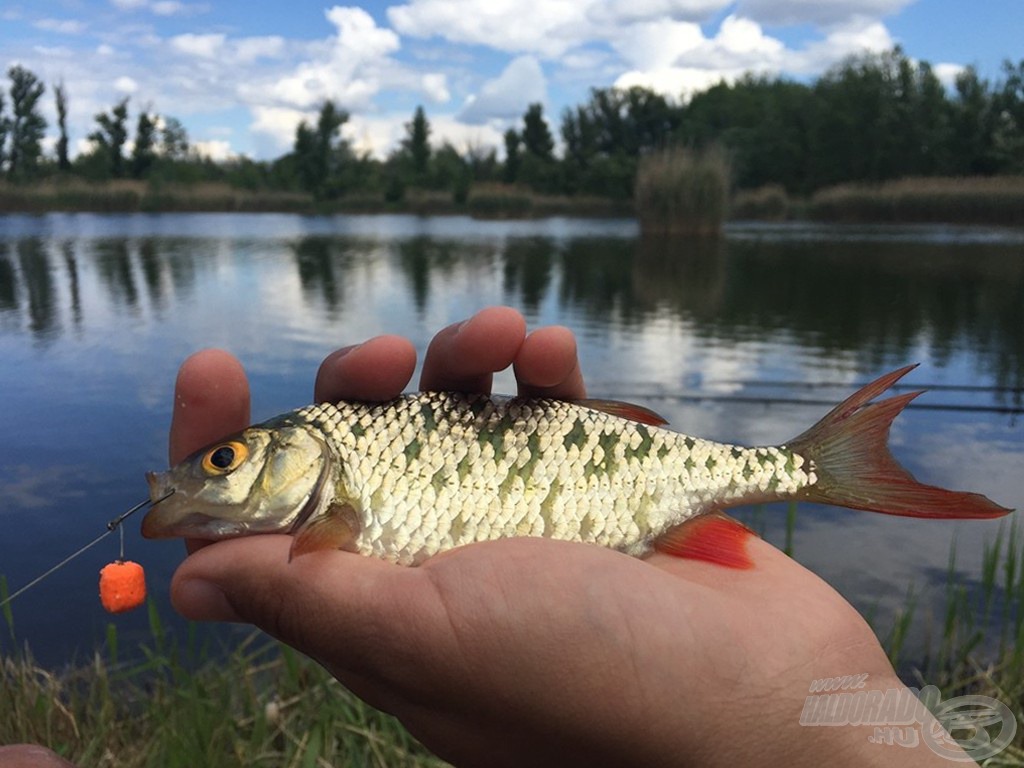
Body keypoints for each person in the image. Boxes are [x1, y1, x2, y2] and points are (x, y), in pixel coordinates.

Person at [2, 307, 966, 767]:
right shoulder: (323, 497)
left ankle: (814, 461)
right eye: (221, 468)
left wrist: (793, 717)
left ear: (300, 459)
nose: (212, 480)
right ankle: (811, 462)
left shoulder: (329, 506)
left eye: (226, 466)